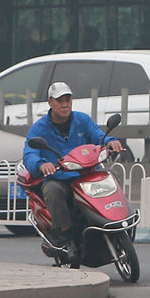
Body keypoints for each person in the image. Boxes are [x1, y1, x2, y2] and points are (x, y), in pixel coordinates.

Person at [23, 82, 124, 266]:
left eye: (67, 100)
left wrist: (110, 141)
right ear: (50, 102)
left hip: (85, 176)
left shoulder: (82, 120)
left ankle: (116, 220)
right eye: (60, 100)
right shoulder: (39, 129)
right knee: (52, 190)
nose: (64, 104)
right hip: (60, 179)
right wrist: (42, 164)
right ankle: (68, 238)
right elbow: (30, 154)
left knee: (109, 177)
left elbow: (98, 135)